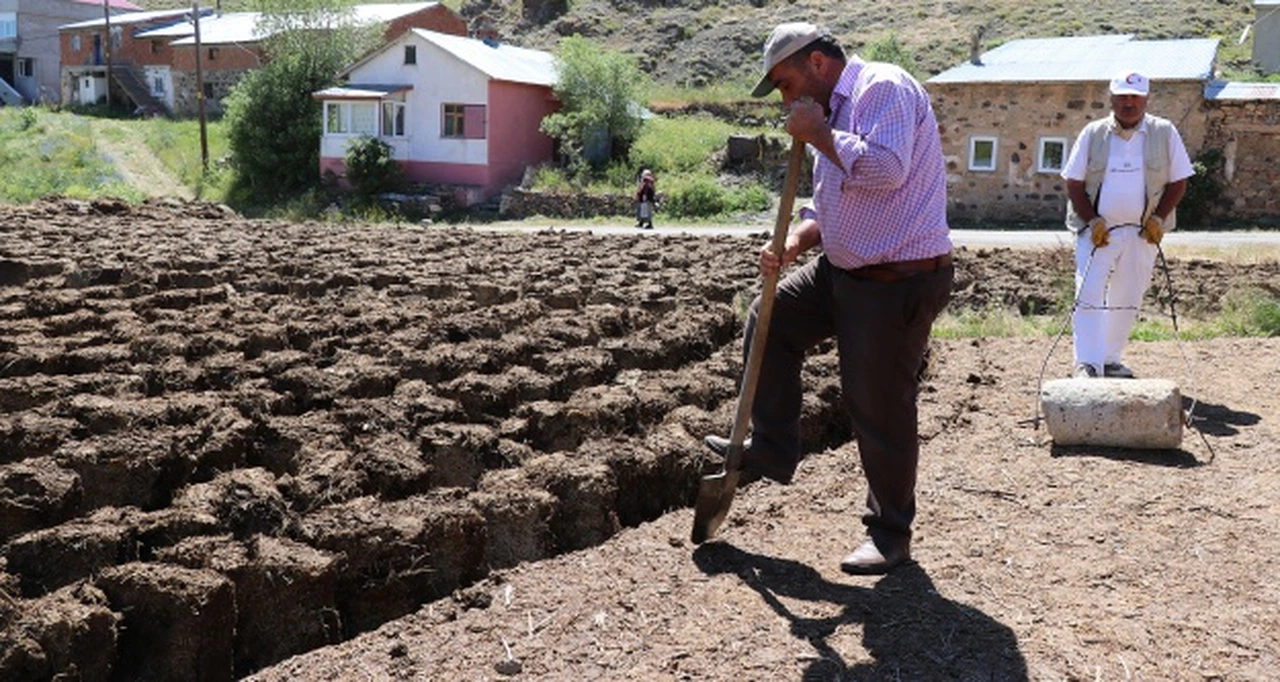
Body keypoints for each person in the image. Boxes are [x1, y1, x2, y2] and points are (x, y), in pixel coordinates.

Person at [703, 22, 953, 575]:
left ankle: (891, 533)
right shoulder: (828, 114)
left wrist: (819, 136)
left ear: (817, 64)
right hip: (842, 270)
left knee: (877, 403)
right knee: (772, 319)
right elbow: (828, 202)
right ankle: (771, 444)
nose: (787, 99)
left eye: (788, 84)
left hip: (897, 279)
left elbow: (887, 171)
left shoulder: (882, 88)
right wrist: (797, 240)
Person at [1061, 70, 1194, 379]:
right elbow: (1074, 182)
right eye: (1121, 96)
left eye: (1134, 97)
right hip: (1097, 234)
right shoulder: (1093, 133)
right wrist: (1092, 220)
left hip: (1142, 234)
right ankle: (1087, 364)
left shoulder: (1164, 132)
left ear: (1146, 99)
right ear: (1112, 99)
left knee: (1128, 296)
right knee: (1088, 293)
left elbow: (1179, 182)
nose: (1128, 103)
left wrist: (1158, 219)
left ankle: (1109, 359)